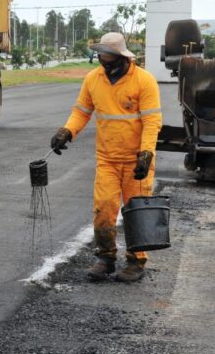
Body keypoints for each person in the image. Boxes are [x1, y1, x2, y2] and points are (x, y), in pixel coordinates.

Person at [50, 32, 162, 283]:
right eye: (102, 58)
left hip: (137, 160)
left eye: (109, 59)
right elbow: (81, 112)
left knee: (137, 212)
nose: (105, 63)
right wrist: (67, 131)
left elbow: (152, 121)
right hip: (107, 159)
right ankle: (106, 258)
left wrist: (146, 153)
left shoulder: (144, 81)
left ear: (123, 58)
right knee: (103, 209)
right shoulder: (93, 79)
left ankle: (136, 261)